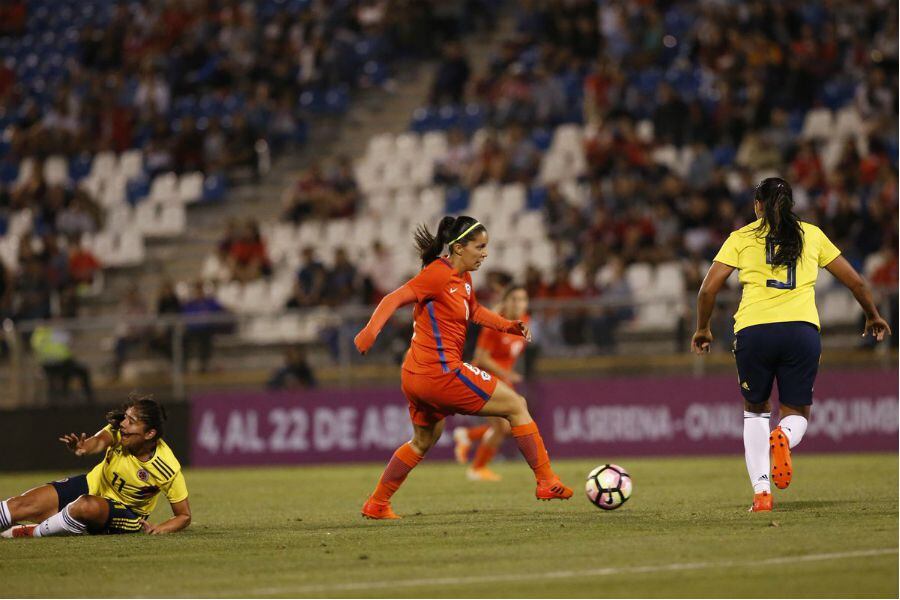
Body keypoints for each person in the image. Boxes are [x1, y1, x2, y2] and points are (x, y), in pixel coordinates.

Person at [691, 178, 891, 513]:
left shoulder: (741, 238)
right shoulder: (811, 234)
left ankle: (762, 493)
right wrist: (872, 315)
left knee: (754, 410)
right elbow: (855, 281)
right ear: (791, 205)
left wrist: (703, 328)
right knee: (796, 412)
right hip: (801, 331)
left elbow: (708, 290)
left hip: (754, 332)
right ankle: (783, 436)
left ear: (757, 204)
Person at [354, 216, 573, 520]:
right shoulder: (438, 274)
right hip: (440, 372)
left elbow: (476, 312)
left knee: (422, 441)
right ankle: (547, 481)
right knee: (516, 405)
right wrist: (370, 332)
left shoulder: (463, 278)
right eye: (480, 247)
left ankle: (377, 503)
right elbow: (395, 297)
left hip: (416, 377)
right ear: (458, 247)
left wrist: (508, 326)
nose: (485, 253)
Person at [1, 395, 191, 538]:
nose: (123, 424)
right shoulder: (118, 432)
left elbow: (183, 515)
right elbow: (99, 441)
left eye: (131, 422)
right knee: (21, 504)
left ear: (150, 434)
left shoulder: (166, 466)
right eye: (125, 418)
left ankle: (32, 532)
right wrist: (84, 446)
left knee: (85, 506)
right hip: (91, 485)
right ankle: (63, 522)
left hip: (127, 513)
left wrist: (161, 528)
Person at [453, 284, 530, 481]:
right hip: (486, 378)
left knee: (505, 427)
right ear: (505, 301)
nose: (518, 304)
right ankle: (477, 467)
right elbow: (481, 357)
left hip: (503, 380)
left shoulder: (524, 321)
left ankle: (468, 439)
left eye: (522, 299)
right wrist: (507, 373)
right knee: (506, 424)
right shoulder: (495, 325)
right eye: (514, 299)